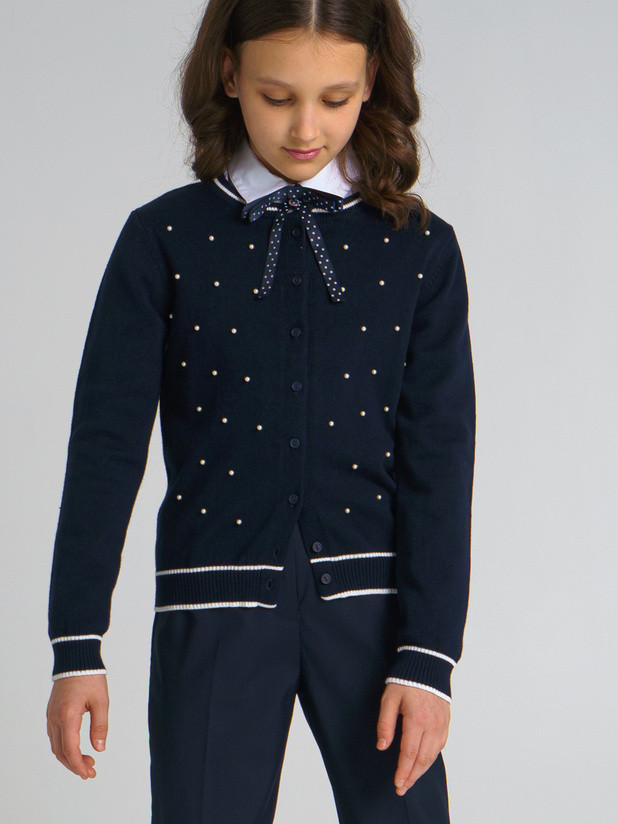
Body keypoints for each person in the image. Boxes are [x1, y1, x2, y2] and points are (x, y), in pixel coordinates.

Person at [45, 1, 476, 822]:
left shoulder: (419, 249)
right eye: (278, 97)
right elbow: (105, 447)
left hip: (376, 615)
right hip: (214, 609)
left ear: (372, 81)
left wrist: (429, 657)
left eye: (335, 98)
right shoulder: (164, 239)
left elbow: (441, 463)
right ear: (230, 74)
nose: (306, 128)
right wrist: (76, 644)